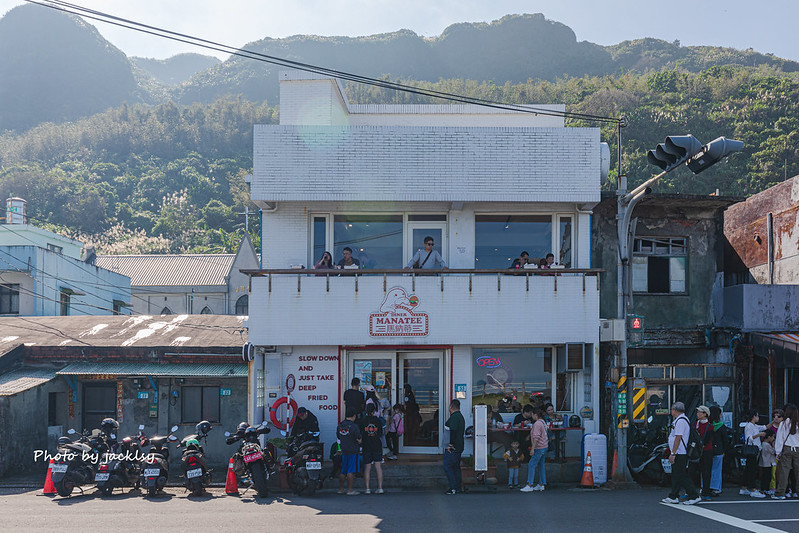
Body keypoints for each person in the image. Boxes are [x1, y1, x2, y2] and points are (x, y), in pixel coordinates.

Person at [661, 401, 701, 505]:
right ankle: (673, 496)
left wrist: (673, 453)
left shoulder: (681, 422)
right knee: (676, 475)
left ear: (674, 410)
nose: (671, 411)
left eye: (672, 409)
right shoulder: (681, 420)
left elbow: (678, 438)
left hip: (680, 452)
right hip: (679, 452)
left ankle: (694, 495)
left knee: (682, 475)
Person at [774, 403, 799, 500]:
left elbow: (780, 438)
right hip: (798, 448)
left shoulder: (784, 423)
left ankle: (780, 493)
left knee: (784, 472)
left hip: (787, 448)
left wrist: (778, 452)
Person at [520, 408, 548, 492]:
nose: (532, 416)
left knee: (531, 464)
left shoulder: (537, 424)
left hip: (539, 447)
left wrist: (532, 448)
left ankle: (530, 484)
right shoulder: (543, 422)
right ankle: (541, 484)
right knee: (541, 465)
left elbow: (536, 437)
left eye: (532, 414)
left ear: (535, 415)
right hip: (544, 446)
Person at [741, 408, 767, 498]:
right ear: (754, 417)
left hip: (753, 450)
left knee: (748, 469)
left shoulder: (754, 426)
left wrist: (773, 421)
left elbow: (765, 427)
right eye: (757, 416)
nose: (758, 417)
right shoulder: (749, 426)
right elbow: (749, 438)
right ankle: (752, 489)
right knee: (751, 470)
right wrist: (759, 435)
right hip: (752, 450)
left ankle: (744, 488)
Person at [359, 403, 385, 494]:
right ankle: (380, 488)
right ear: (374, 411)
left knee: (367, 467)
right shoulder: (378, 421)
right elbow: (381, 433)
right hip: (377, 445)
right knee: (378, 466)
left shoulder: (363, 421)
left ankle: (367, 489)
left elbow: (360, 434)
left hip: (366, 445)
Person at [442, 399, 465, 495]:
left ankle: (453, 487)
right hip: (459, 445)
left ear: (451, 407)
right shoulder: (460, 416)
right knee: (456, 467)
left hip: (453, 447)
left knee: (448, 466)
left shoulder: (455, 417)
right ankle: (458, 487)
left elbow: (453, 431)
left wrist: (450, 444)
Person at [336, 410, 362, 496]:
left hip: (344, 450)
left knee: (343, 470)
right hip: (353, 450)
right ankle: (350, 490)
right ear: (354, 415)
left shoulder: (340, 425)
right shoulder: (354, 426)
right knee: (351, 470)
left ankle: (340, 488)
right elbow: (358, 439)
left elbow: (338, 437)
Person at [694, 405, 716, 500]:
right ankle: (691, 491)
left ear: (705, 414)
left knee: (706, 472)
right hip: (695, 451)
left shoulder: (710, 426)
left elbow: (708, 440)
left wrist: (701, 444)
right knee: (692, 471)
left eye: (700, 412)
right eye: (697, 412)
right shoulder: (694, 424)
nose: (698, 414)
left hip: (707, 451)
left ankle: (706, 492)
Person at [708, 405, 727, 496]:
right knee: (717, 470)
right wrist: (724, 451)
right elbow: (725, 440)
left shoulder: (707, 425)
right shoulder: (721, 426)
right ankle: (716, 488)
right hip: (719, 450)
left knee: (706, 469)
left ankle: (706, 486)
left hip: (707, 450)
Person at [760, 429, 777, 496]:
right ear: (769, 437)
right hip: (767, 463)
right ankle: (766, 489)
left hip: (764, 463)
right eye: (773, 437)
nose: (773, 438)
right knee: (767, 477)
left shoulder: (763, 444)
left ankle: (764, 489)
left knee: (765, 477)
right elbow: (773, 451)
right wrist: (773, 445)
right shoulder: (766, 445)